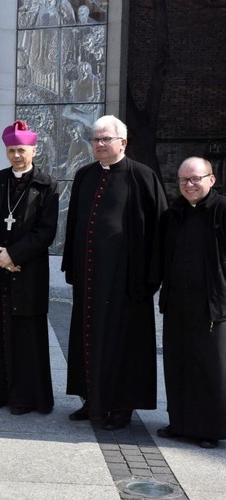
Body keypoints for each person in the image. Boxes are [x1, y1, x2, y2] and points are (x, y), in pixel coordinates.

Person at [62, 115, 167, 430]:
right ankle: (91, 399)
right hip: (91, 278)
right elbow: (75, 225)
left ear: (123, 142)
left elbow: (159, 230)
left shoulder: (142, 176)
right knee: (87, 336)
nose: (100, 145)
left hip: (126, 281)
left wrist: (151, 276)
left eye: (106, 139)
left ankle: (122, 406)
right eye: (95, 139)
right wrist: (71, 264)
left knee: (124, 343)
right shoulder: (84, 175)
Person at [0, 120, 58, 415]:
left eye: (21, 149)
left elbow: (46, 231)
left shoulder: (47, 186)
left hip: (28, 272)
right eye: (11, 150)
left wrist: (14, 255)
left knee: (27, 336)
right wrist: (0, 256)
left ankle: (26, 398)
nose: (16, 155)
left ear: (33, 150)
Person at [157, 157, 226, 449]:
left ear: (211, 179)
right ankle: (180, 423)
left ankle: (208, 428)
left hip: (211, 303)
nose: (189, 185)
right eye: (184, 180)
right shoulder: (176, 212)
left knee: (209, 368)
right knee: (177, 364)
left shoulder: (222, 209)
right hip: (178, 303)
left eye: (196, 179)